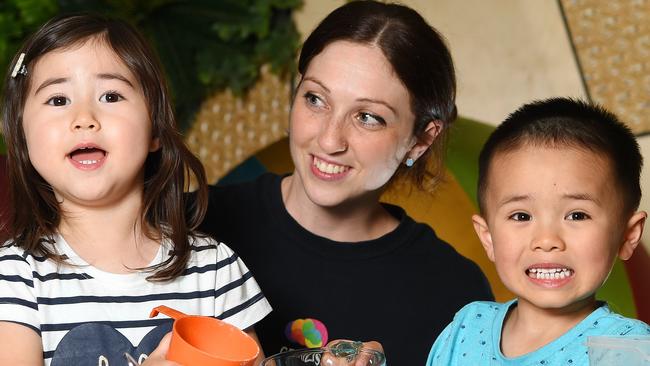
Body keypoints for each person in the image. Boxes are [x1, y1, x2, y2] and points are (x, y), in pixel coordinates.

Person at [198, 1, 494, 365]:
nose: (329, 140)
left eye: (368, 117)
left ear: (420, 140)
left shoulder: (455, 295)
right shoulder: (191, 223)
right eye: (316, 99)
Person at [0, 13, 271, 366]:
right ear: (22, 136)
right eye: (58, 100)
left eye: (111, 96)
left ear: (155, 129)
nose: (84, 117)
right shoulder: (15, 277)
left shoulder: (216, 269)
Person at [427, 97, 650, 365]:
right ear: (488, 237)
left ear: (628, 236)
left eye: (577, 215)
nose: (547, 240)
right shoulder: (467, 326)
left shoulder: (626, 348)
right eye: (521, 216)